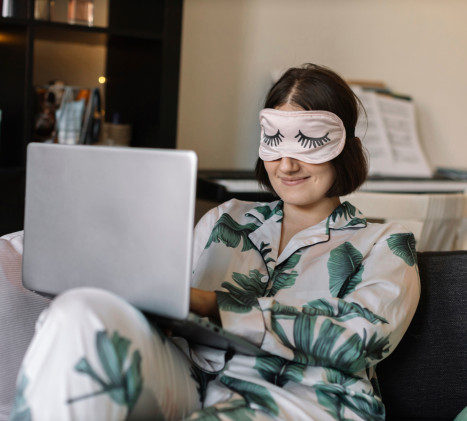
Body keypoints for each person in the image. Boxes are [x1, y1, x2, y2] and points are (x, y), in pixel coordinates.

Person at [10, 63, 420, 421]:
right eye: (276, 141)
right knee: (78, 312)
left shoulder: (385, 243)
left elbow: (361, 341)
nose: (288, 164)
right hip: (192, 383)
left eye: (310, 141)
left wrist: (213, 305)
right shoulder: (225, 218)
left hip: (306, 400)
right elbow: (167, 302)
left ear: (345, 148)